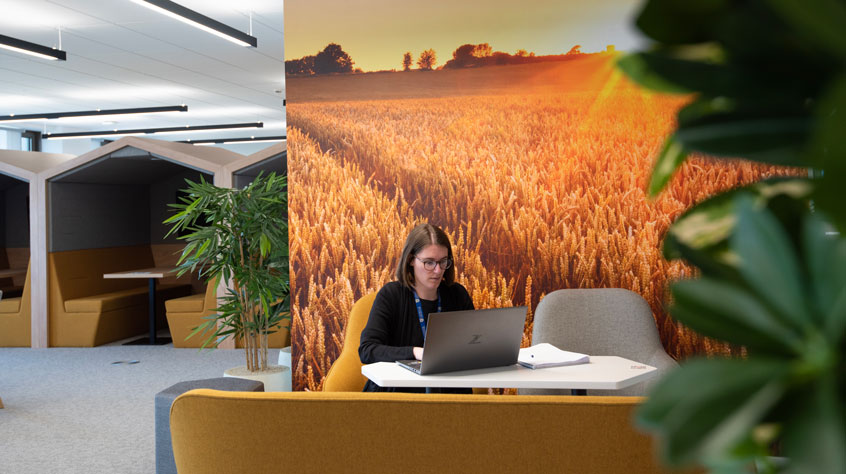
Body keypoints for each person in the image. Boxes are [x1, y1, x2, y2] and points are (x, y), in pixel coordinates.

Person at [359, 223, 474, 392]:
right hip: (397, 395)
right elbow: (368, 350)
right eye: (429, 262)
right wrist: (415, 353)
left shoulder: (457, 295)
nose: (438, 270)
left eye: (443, 261)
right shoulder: (391, 295)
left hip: (448, 393)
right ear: (411, 260)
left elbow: (474, 345)